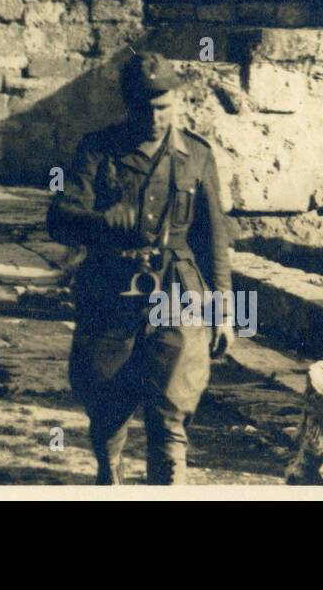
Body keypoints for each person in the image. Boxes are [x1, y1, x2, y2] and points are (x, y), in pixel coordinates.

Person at [47, 51, 232, 485]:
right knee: (108, 402)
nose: (154, 117)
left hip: (179, 291)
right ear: (129, 104)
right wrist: (99, 222)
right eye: (145, 107)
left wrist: (222, 307)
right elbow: (57, 219)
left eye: (163, 106)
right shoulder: (97, 150)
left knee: (172, 404)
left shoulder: (198, 156)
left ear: (177, 101)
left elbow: (214, 238)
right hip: (111, 290)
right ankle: (109, 476)